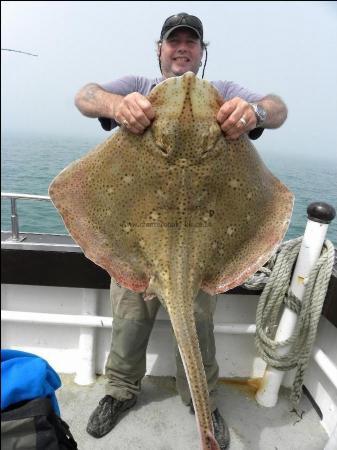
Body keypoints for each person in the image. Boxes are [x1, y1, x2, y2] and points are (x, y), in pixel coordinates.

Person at [74, 13, 288, 450]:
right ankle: (120, 390)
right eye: (174, 42)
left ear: (202, 52)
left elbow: (278, 108)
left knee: (198, 324)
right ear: (160, 50)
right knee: (130, 321)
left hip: (205, 238)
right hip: (137, 235)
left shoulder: (226, 94)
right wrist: (116, 107)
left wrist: (256, 112)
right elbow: (85, 95)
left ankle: (201, 402)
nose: (182, 48)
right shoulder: (137, 85)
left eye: (192, 42)